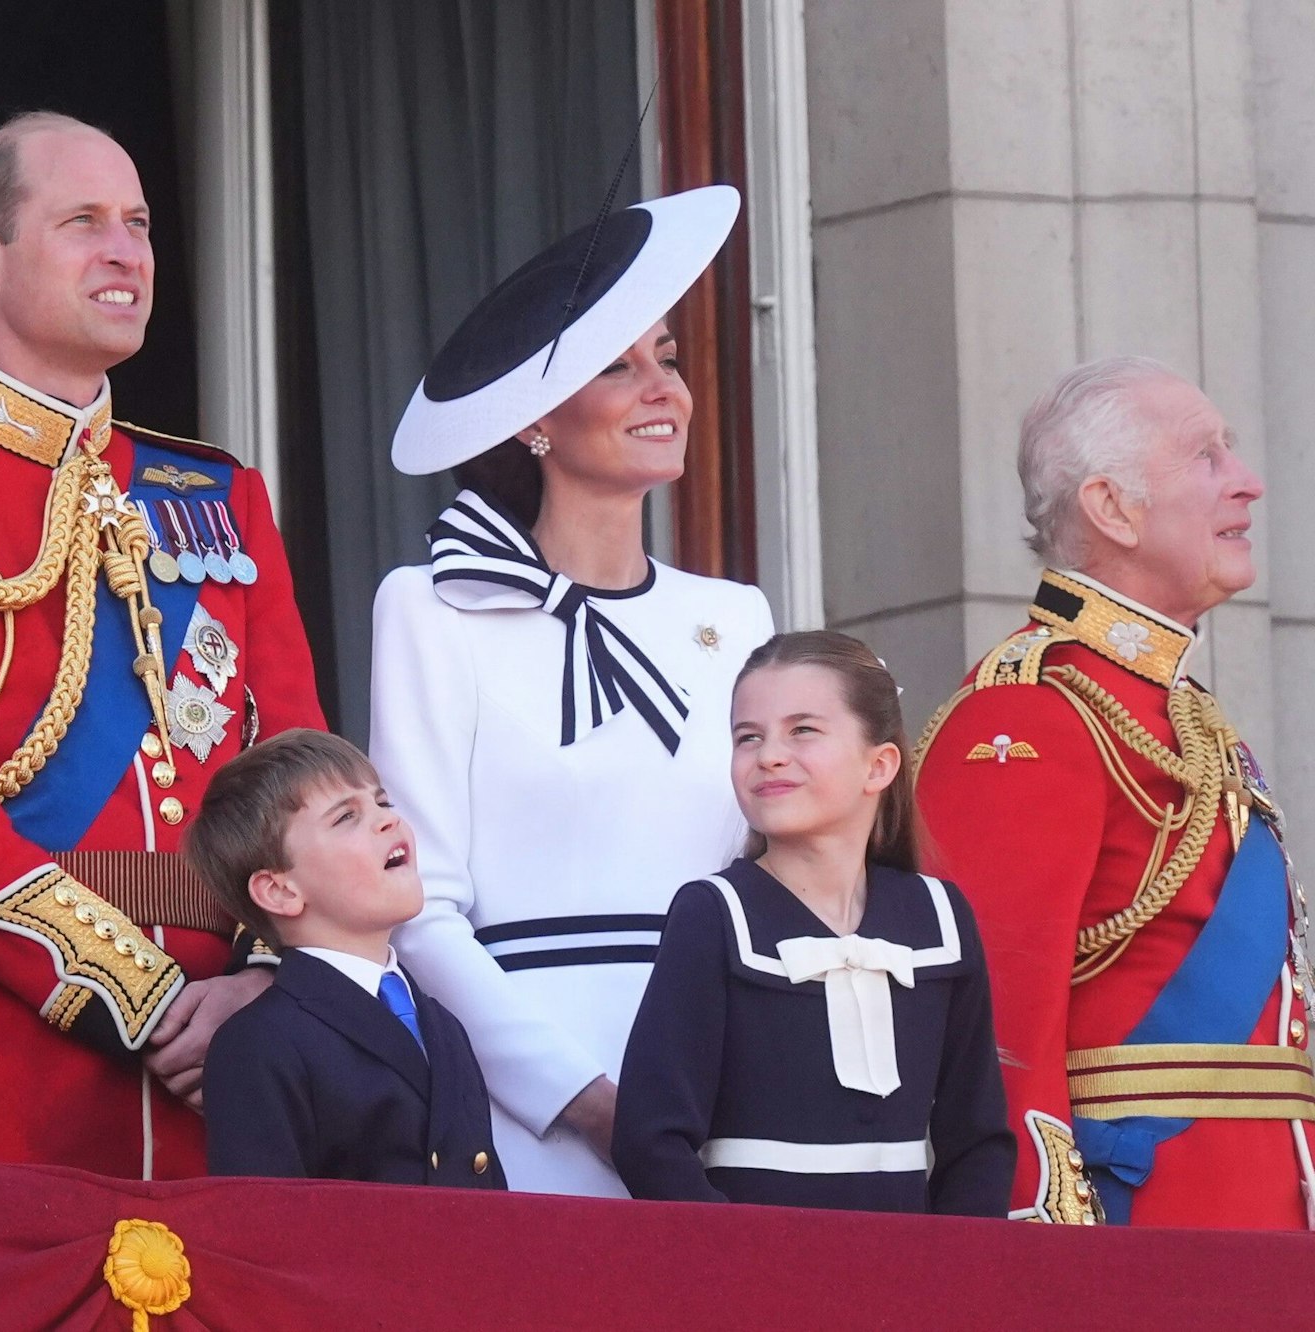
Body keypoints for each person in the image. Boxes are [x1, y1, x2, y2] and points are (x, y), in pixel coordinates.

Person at [0, 111, 325, 1179]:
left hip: (241, 1073)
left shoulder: (218, 494)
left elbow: (299, 776)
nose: (126, 251)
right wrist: (148, 996)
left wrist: (268, 987)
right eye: (83, 222)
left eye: (139, 223)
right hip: (2, 1063)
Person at [370, 185, 775, 1196]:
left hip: (730, 1087)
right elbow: (419, 910)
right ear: (536, 419)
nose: (663, 391)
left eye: (668, 361)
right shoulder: (432, 608)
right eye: (618, 366)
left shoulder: (740, 617)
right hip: (527, 1112)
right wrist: (587, 1102)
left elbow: (774, 879)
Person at [914, 356, 1313, 1228]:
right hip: (1144, 1229)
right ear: (1111, 508)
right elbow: (997, 1029)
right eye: (1206, 457)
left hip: (1259, 1223)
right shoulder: (1025, 713)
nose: (1247, 484)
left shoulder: (1189, 719)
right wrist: (1048, 1247)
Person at [612, 631, 1013, 1213]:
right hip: (759, 1277)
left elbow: (978, 1140)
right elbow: (651, 1141)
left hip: (908, 1282)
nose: (768, 754)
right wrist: (743, 1265)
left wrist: (952, 1279)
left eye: (802, 730)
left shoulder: (939, 918)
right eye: (748, 737)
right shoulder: (715, 915)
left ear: (879, 765)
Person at [190, 729, 505, 1188]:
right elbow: (262, 1236)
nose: (387, 821)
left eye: (383, 803)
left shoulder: (442, 1024)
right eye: (346, 818)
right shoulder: (259, 1044)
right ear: (280, 890)